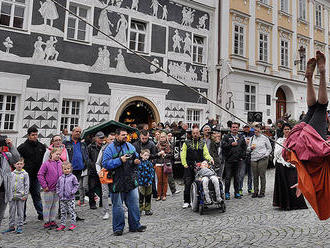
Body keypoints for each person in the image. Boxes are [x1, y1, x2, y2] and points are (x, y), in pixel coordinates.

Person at [283, 51, 330, 220]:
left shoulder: (323, 175)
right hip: (297, 142)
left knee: (321, 107)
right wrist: (301, 184)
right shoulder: (315, 177)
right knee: (312, 109)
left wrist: (301, 185)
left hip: (311, 144)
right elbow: (308, 178)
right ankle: (310, 78)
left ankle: (321, 73)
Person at [102, 128, 146, 236]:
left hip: (130, 179)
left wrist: (136, 161)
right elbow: (105, 163)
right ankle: (118, 228)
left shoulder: (130, 146)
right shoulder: (110, 149)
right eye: (123, 135)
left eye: (126, 135)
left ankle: (135, 225)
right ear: (117, 136)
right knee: (117, 206)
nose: (125, 137)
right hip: (116, 181)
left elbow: (136, 157)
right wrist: (119, 160)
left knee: (134, 203)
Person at [273, 123, 308, 210]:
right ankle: (285, 204)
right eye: (285, 129)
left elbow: (299, 151)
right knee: (283, 184)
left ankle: (296, 204)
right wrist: (284, 147)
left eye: (288, 129)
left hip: (292, 164)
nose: (287, 131)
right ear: (283, 131)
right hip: (281, 164)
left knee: (293, 182)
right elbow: (276, 153)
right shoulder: (280, 140)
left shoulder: (295, 140)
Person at [180, 127, 214, 209]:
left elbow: (206, 154)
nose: (195, 135)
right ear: (192, 134)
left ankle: (200, 200)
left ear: (199, 134)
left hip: (199, 166)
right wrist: (184, 163)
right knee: (188, 183)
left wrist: (210, 159)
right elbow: (183, 154)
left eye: (197, 133)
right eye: (194, 133)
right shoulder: (186, 143)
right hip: (189, 165)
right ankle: (186, 201)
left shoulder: (203, 143)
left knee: (200, 183)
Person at [18, 127, 46, 221]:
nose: (35, 136)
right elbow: (17, 161)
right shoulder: (22, 147)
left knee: (37, 195)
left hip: (36, 175)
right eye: (33, 135)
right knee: (24, 196)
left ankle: (41, 214)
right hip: (25, 176)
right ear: (28, 135)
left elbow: (44, 161)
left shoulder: (41, 146)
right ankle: (22, 216)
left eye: (36, 134)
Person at [63, 127, 89, 212]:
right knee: (66, 190)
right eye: (76, 131)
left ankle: (72, 210)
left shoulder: (83, 144)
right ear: (72, 132)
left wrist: (85, 165)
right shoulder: (66, 143)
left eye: (80, 132)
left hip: (78, 170)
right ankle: (62, 210)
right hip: (68, 170)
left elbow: (86, 155)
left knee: (73, 191)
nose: (78, 133)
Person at [37, 148, 63, 229]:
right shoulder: (46, 164)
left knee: (54, 205)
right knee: (47, 206)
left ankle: (52, 220)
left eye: (59, 154)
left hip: (57, 188)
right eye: (56, 154)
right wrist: (44, 186)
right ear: (51, 154)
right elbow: (40, 175)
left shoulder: (60, 163)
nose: (58, 156)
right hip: (48, 189)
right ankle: (46, 221)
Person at [2, 158, 28, 234]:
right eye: (17, 164)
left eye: (21, 164)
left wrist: (25, 195)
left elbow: (27, 185)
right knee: (11, 212)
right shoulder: (11, 174)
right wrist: (8, 194)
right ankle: (11, 226)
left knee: (20, 212)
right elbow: (9, 185)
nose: (19, 165)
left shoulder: (25, 174)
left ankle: (20, 226)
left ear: (23, 164)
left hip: (21, 196)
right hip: (12, 196)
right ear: (14, 165)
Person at [221, 122, 246, 200]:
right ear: (230, 128)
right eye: (233, 127)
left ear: (238, 128)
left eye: (236, 127)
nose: (234, 128)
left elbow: (244, 147)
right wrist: (231, 144)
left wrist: (242, 156)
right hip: (229, 160)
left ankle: (237, 192)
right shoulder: (226, 137)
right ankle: (227, 193)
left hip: (238, 160)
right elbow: (223, 146)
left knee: (237, 177)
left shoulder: (241, 137)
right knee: (228, 177)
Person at [248, 124, 272, 198]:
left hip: (262, 158)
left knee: (262, 175)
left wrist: (266, 154)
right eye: (255, 130)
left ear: (260, 130)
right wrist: (250, 148)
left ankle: (262, 191)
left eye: (258, 129)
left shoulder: (265, 138)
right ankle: (255, 191)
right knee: (255, 176)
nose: (256, 131)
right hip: (253, 158)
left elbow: (269, 148)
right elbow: (248, 148)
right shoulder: (252, 138)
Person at [96, 133, 115, 220]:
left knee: (118, 192)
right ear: (107, 140)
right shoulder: (103, 149)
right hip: (105, 174)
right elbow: (97, 163)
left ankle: (123, 210)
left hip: (116, 174)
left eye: (114, 139)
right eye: (111, 139)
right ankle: (106, 211)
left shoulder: (118, 148)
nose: (112, 141)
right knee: (105, 194)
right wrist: (99, 172)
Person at [133, 130, 158, 198]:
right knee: (139, 180)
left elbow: (154, 155)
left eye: (146, 138)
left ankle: (154, 193)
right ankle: (139, 195)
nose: (144, 140)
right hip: (139, 165)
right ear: (140, 137)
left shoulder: (151, 144)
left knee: (151, 179)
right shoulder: (135, 144)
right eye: (143, 138)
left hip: (148, 164)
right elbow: (133, 156)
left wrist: (153, 163)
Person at [56, 162, 79, 231]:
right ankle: (63, 224)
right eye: (65, 169)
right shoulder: (60, 178)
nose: (67, 170)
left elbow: (76, 185)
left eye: (68, 168)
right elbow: (57, 186)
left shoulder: (73, 177)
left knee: (71, 211)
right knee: (63, 212)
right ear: (62, 170)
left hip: (70, 198)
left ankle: (73, 223)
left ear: (71, 169)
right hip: (62, 198)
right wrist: (59, 193)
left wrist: (72, 192)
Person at [87, 131, 104, 210]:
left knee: (102, 187)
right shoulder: (90, 147)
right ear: (96, 138)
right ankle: (92, 203)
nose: (101, 139)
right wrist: (93, 166)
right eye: (100, 138)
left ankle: (102, 202)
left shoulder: (104, 147)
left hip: (102, 170)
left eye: (102, 138)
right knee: (92, 187)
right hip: (93, 170)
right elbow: (87, 158)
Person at [154, 132, 173, 201]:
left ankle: (164, 195)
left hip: (166, 164)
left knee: (165, 180)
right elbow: (154, 155)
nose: (162, 138)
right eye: (161, 137)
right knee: (159, 180)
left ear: (166, 138)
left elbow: (171, 155)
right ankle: (159, 195)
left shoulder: (169, 145)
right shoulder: (156, 146)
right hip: (158, 163)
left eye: (163, 137)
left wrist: (165, 155)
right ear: (159, 138)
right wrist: (159, 153)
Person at [137, 149, 154, 215]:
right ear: (141, 155)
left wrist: (150, 181)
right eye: (145, 155)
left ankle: (147, 209)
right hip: (141, 183)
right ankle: (140, 209)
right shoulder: (139, 163)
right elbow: (138, 174)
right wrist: (139, 181)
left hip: (148, 183)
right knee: (141, 196)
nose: (146, 157)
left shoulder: (149, 163)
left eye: (148, 155)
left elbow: (152, 172)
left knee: (148, 196)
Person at [241, 125, 254, 194]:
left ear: (250, 128)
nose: (246, 129)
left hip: (251, 156)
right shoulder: (241, 135)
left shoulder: (253, 135)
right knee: (241, 174)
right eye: (245, 127)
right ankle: (240, 189)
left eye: (247, 127)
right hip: (243, 157)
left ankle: (250, 188)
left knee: (251, 174)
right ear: (243, 128)